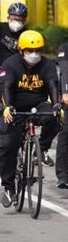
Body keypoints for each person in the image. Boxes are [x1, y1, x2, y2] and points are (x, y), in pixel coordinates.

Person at [0, 30, 60, 207]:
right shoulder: (10, 64)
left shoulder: (47, 65)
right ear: (21, 51)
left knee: (55, 118)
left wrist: (56, 104)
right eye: (29, 51)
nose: (34, 55)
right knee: (9, 145)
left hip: (38, 104)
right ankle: (9, 187)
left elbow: (52, 85)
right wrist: (7, 107)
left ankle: (41, 148)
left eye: (38, 51)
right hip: (13, 107)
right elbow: (7, 87)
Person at [0, 0, 28, 151]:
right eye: (14, 18)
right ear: (8, 17)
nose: (17, 22)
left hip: (17, 72)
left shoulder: (26, 34)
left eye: (20, 19)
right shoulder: (1, 28)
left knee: (22, 100)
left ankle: (24, 131)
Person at [56, 41, 68, 189]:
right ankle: (63, 176)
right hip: (67, 95)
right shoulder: (65, 48)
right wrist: (65, 92)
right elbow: (65, 70)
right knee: (66, 132)